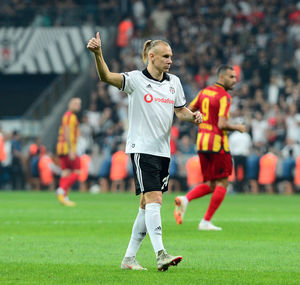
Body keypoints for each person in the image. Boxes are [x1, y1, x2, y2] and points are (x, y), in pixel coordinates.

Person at [87, 33, 202, 271]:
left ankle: (129, 258)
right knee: (155, 199)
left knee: (145, 204)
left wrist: (193, 117)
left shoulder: (174, 82)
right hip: (142, 149)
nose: (170, 60)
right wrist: (98, 54)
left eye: (171, 56)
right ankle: (161, 253)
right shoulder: (136, 80)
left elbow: (180, 111)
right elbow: (106, 76)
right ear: (152, 56)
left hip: (163, 152)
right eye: (166, 56)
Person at [174, 65, 246, 231]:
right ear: (222, 77)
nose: (235, 80)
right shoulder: (225, 96)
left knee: (212, 184)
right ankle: (205, 221)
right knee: (223, 182)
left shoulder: (204, 92)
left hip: (201, 142)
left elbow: (187, 112)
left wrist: (201, 123)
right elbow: (221, 124)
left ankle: (185, 199)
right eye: (231, 77)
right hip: (217, 144)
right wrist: (237, 127)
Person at [56, 97, 81, 206]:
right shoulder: (69, 116)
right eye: (75, 103)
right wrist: (71, 150)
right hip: (67, 148)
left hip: (62, 148)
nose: (77, 105)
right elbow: (66, 132)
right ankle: (61, 190)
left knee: (66, 171)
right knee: (78, 171)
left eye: (79, 104)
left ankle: (64, 197)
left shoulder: (70, 116)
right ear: (69, 104)